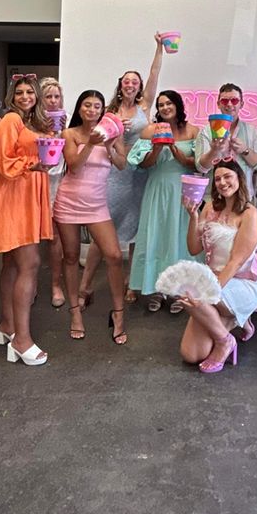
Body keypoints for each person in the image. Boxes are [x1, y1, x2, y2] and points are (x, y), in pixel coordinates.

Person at [80, 33, 164, 306]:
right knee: (103, 232)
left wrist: (159, 48)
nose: (131, 84)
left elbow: (154, 74)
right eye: (126, 80)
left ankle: (131, 283)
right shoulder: (108, 109)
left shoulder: (144, 106)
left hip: (139, 175)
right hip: (115, 174)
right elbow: (97, 140)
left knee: (136, 232)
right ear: (120, 85)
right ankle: (85, 285)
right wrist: (115, 133)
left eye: (135, 81)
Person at [0, 75, 53, 366]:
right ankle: (22, 340)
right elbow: (3, 162)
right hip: (14, 196)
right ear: (12, 96)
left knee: (12, 263)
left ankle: (7, 325)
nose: (24, 96)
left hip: (27, 195)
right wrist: (34, 164)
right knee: (29, 264)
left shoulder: (33, 124)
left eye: (29, 92)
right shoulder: (10, 120)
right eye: (19, 92)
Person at [53, 90, 129, 345]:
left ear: (102, 110)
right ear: (80, 108)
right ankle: (75, 313)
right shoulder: (70, 134)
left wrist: (107, 144)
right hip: (69, 202)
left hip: (96, 204)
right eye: (87, 105)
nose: (92, 110)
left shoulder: (114, 134)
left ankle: (118, 315)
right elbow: (74, 166)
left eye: (97, 106)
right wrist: (92, 144)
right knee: (71, 257)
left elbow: (121, 164)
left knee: (115, 256)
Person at [179, 161, 257, 372]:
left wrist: (208, 292)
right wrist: (194, 217)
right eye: (217, 179)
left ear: (239, 179)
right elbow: (193, 248)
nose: (222, 182)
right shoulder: (210, 208)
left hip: (244, 282)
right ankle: (238, 320)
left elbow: (236, 262)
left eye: (227, 176)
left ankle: (225, 341)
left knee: (195, 294)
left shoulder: (249, 213)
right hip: (216, 280)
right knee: (191, 354)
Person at [127, 90, 200, 311]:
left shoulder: (193, 130)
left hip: (185, 187)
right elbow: (142, 165)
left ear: (178, 106)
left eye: (169, 103)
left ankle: (180, 290)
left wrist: (173, 148)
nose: (165, 107)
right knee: (156, 236)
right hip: (157, 188)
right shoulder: (150, 130)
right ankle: (156, 288)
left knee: (180, 237)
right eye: (161, 105)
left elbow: (197, 165)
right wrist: (157, 147)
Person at [194, 83, 257, 196]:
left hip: (243, 196)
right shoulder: (206, 131)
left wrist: (245, 150)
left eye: (234, 101)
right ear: (218, 104)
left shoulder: (252, 132)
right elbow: (201, 168)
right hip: (215, 197)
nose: (229, 104)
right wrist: (214, 151)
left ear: (241, 104)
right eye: (224, 101)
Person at [39, 77, 66, 308]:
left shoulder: (65, 127)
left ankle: (55, 284)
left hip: (58, 185)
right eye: (48, 96)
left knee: (55, 237)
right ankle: (27, 283)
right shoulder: (31, 124)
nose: (53, 101)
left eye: (56, 96)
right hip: (35, 183)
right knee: (30, 238)